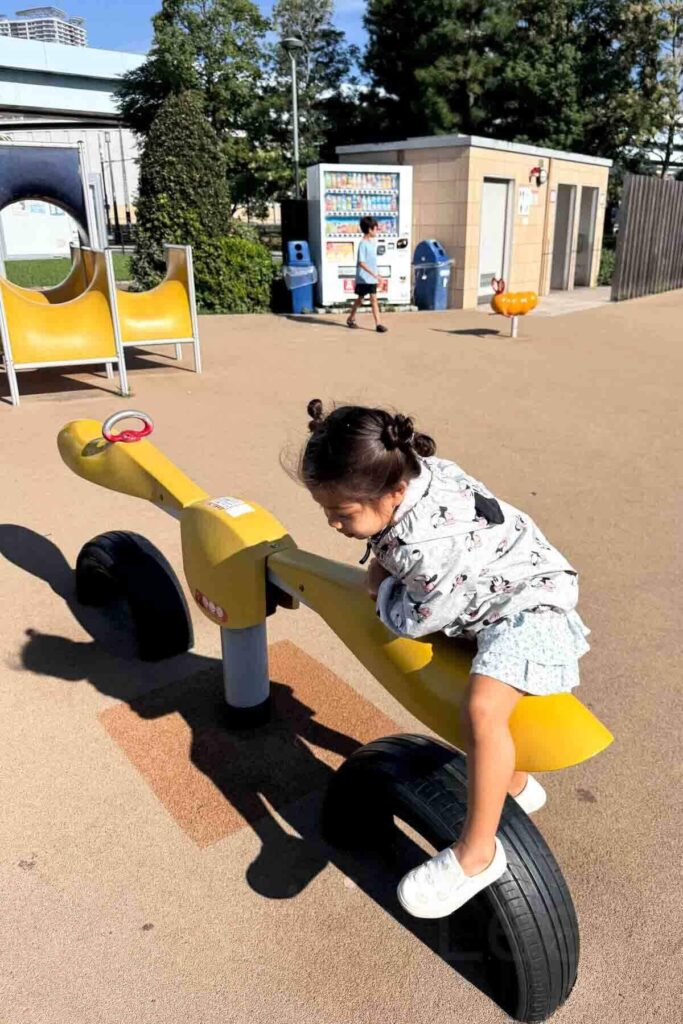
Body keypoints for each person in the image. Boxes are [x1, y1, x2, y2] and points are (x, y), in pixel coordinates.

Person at [299, 399, 590, 920]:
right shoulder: (417, 471)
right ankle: (517, 784)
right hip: (502, 579)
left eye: (342, 515)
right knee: (472, 694)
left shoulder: (429, 549)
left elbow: (417, 617)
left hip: (530, 607)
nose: (334, 526)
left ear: (392, 492)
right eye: (327, 512)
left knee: (482, 709)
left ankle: (477, 854)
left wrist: (380, 585)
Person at [346, 216, 388, 333]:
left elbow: (373, 262)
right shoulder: (363, 244)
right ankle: (350, 318)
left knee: (374, 299)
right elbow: (362, 263)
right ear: (370, 230)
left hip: (371, 278)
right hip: (363, 278)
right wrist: (375, 275)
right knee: (360, 299)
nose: (377, 231)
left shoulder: (371, 243)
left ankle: (378, 324)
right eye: (376, 229)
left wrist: (377, 275)